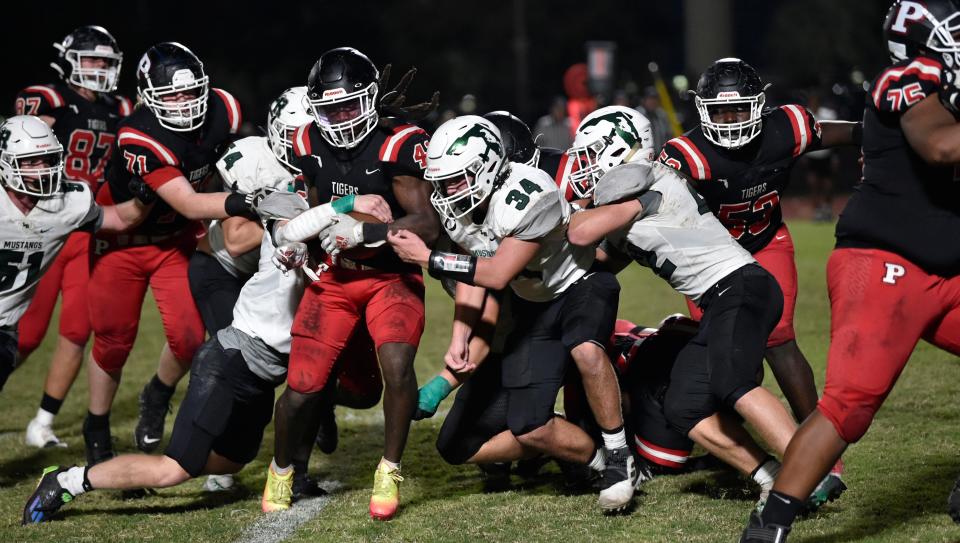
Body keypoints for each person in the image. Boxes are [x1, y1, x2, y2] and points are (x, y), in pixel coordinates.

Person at [21, 190, 377, 524]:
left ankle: (134, 470)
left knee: (233, 461)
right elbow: (293, 232)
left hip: (262, 378)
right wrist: (347, 204)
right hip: (230, 363)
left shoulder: (321, 242)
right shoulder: (285, 228)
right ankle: (68, 481)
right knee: (173, 469)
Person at [741, 2, 960, 540]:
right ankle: (769, 527)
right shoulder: (904, 78)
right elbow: (939, 145)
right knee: (850, 405)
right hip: (884, 262)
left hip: (947, 270)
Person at [388, 115, 637, 513]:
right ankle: (598, 462)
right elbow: (473, 265)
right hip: (534, 304)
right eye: (441, 181)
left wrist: (428, 258)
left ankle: (620, 453)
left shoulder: (528, 193)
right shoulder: (461, 202)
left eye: (455, 179)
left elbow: (498, 272)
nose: (445, 191)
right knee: (528, 424)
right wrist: (459, 338)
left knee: (585, 350)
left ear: (486, 167)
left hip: (580, 286)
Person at [658, 58, 861, 506]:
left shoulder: (786, 127)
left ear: (760, 106)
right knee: (727, 358)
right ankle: (750, 452)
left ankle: (824, 451)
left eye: (739, 110)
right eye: (720, 112)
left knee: (779, 337)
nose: (730, 122)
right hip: (710, 260)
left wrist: (881, 135)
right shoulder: (685, 155)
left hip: (768, 242)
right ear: (703, 111)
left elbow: (844, 132)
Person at [261, 47, 439, 521]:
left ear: (371, 99)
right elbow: (315, 208)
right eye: (329, 108)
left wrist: (366, 232)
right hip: (336, 278)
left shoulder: (394, 144)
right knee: (301, 387)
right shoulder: (307, 143)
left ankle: (389, 469)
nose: (339, 117)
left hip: (389, 276)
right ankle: (280, 470)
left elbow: (428, 221)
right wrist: (306, 247)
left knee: (397, 366)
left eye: (348, 105)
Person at [85, 42, 252, 468]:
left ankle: (157, 392)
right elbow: (192, 204)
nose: (183, 103)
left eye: (189, 92)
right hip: (124, 240)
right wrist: (247, 201)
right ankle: (97, 426)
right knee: (113, 339)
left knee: (189, 336)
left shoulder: (224, 108)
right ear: (146, 95)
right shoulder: (139, 134)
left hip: (174, 239)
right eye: (171, 94)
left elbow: (224, 167)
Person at [14, 25, 133, 449]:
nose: (99, 69)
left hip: (88, 227)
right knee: (24, 335)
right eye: (92, 60)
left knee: (78, 331)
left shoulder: (122, 107)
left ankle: (42, 421)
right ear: (67, 61)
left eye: (106, 62)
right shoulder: (49, 100)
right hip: (43, 227)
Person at [0, 115, 147, 395]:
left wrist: (145, 198)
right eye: (30, 162)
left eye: (46, 159)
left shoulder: (69, 202)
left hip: (4, 329)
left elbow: (117, 219)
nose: (41, 169)